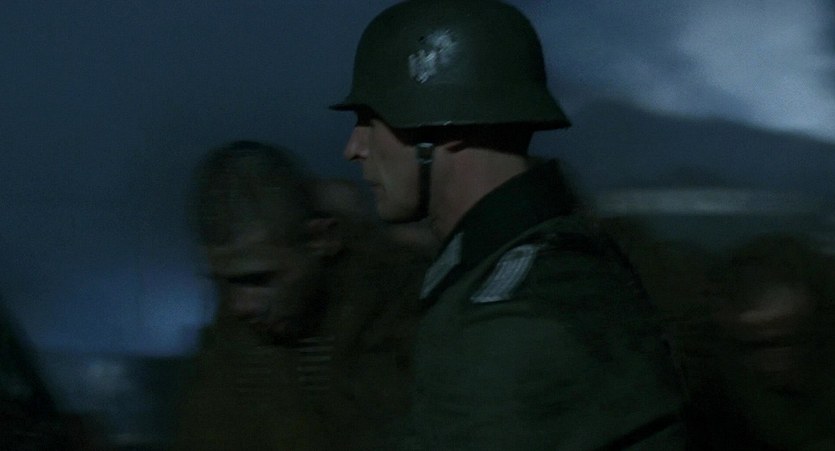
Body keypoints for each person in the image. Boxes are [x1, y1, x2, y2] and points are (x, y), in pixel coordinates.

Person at [331, 1, 687, 449]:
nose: (354, 148)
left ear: (447, 125)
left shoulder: (513, 318)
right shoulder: (540, 261)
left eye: (370, 121)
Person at [173, 141, 428, 450]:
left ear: (321, 239)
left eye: (259, 279)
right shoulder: (234, 339)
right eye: (227, 283)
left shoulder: (400, 304)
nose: (239, 305)